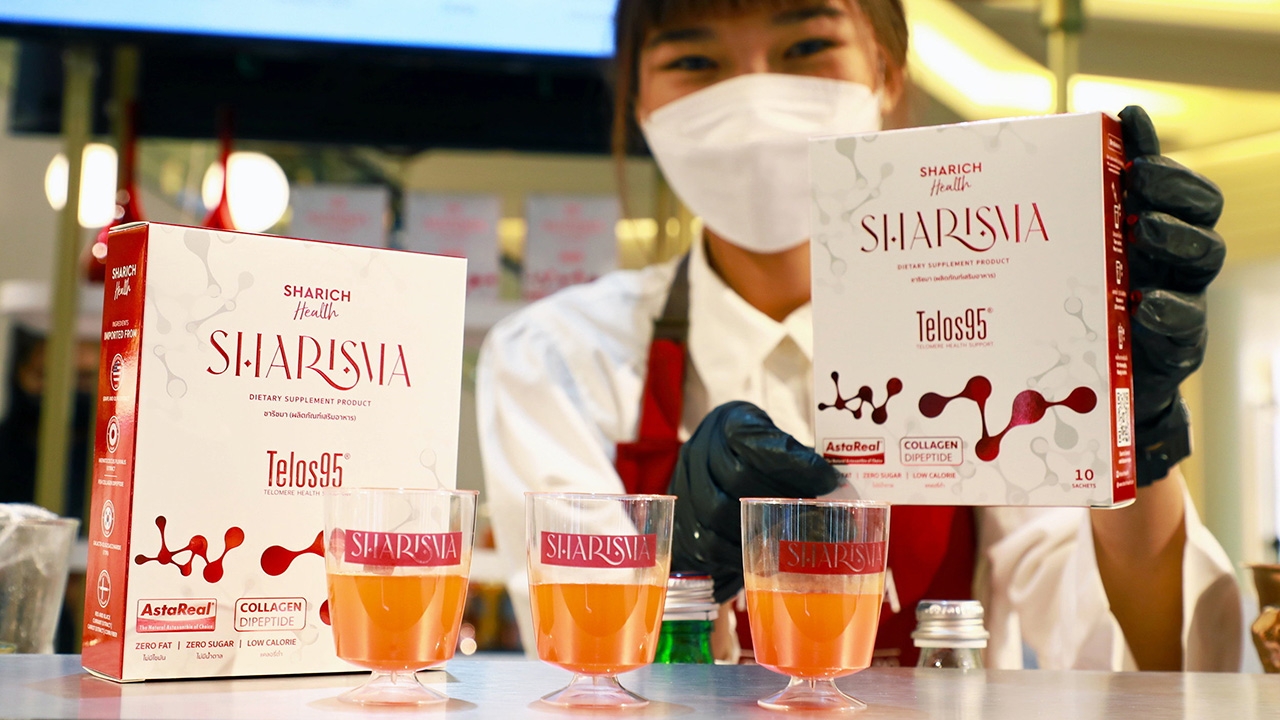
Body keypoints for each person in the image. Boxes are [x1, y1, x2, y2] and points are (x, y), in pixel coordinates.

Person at [478, 0, 1241, 671]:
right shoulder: (556, 358)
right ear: (638, 104)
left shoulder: (996, 334)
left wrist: (1135, 447)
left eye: (806, 46)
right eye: (695, 61)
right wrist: (675, 568)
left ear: (887, 70)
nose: (754, 98)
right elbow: (582, 663)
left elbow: (1129, 654)